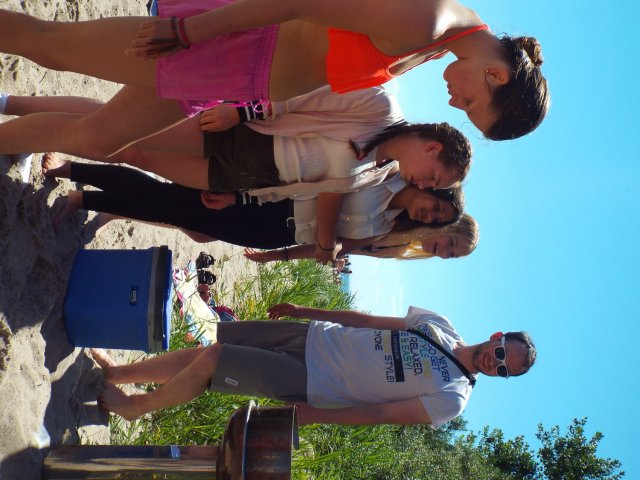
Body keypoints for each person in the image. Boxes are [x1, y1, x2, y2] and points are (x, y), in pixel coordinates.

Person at [0, 0, 548, 172]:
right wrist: (188, 31)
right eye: (470, 104)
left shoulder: (440, 43)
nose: (454, 104)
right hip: (223, 47)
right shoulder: (426, 22)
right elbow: (299, 2)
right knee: (49, 44)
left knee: (99, 140)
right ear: (495, 74)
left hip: (235, 75)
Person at [5, 90, 470, 262]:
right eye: (433, 178)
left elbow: (299, 190)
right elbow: (303, 94)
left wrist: (244, 198)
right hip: (248, 138)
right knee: (121, 128)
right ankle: (16, 108)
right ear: (432, 147)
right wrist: (242, 110)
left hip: (245, 176)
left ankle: (32, 130)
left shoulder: (378, 170)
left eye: (432, 188)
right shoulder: (382, 106)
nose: (424, 185)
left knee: (135, 151)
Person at [91, 302, 537, 426]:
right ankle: (118, 374)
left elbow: (382, 413)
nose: (494, 362)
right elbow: (367, 321)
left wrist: (316, 415)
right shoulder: (440, 325)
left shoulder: (453, 398)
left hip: (315, 379)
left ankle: (136, 407)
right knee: (211, 348)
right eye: (502, 353)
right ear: (498, 337)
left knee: (215, 361)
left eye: (503, 370)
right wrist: (304, 310)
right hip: (314, 336)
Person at [42, 156, 464, 257]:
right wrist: (242, 195)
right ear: (432, 191)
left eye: (435, 221)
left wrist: (281, 254)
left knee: (169, 212)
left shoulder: (386, 228)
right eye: (436, 207)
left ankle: (84, 199)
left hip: (270, 233)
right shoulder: (384, 173)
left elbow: (326, 249)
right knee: (166, 196)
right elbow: (312, 183)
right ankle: (74, 169)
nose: (429, 215)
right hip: (266, 203)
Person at [244, 214, 479, 262]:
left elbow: (332, 249)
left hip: (290, 234)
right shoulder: (398, 217)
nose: (444, 253)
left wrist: (276, 256)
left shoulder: (396, 249)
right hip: (293, 212)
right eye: (451, 244)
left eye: (452, 255)